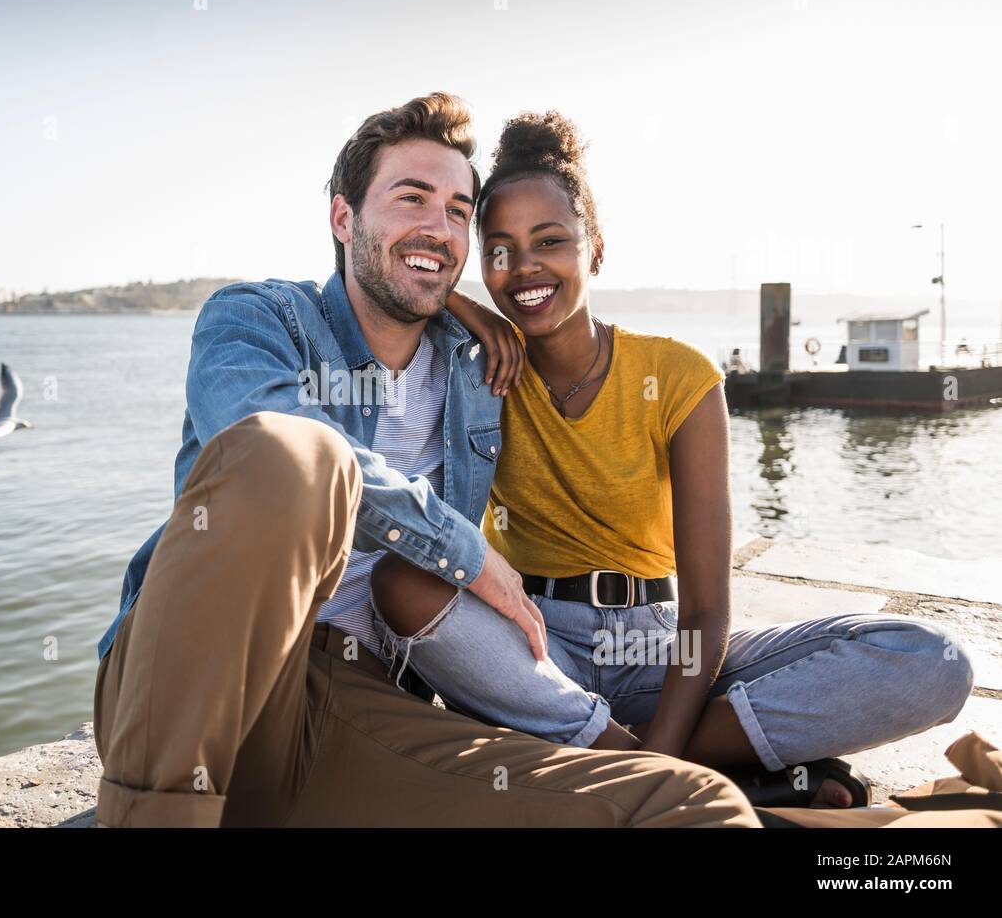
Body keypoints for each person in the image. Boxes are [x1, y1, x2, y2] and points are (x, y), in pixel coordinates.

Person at [91, 93, 760, 827]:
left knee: (691, 806)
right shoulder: (257, 320)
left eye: (455, 212)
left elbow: (538, 322)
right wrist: (465, 554)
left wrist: (458, 307)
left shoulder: (478, 369)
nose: (436, 229)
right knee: (293, 455)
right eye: (411, 198)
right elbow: (272, 443)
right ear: (344, 220)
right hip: (206, 675)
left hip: (355, 699)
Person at [371, 110, 976, 810]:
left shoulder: (678, 377)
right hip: (531, 647)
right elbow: (388, 278)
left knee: (933, 662)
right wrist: (461, 307)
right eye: (500, 251)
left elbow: (710, 609)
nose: (525, 267)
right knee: (401, 582)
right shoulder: (481, 371)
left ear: (596, 251)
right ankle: (719, 772)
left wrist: (666, 735)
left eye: (551, 242)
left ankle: (633, 762)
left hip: (658, 651)